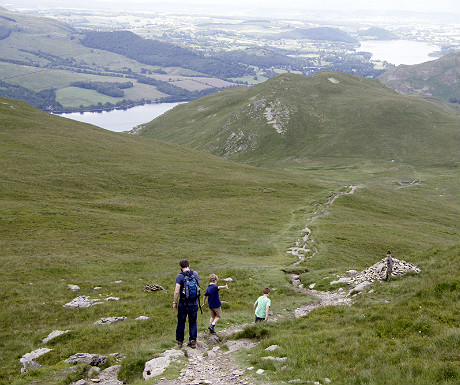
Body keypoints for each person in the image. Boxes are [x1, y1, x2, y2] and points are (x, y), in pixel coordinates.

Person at [173, 259, 200, 348]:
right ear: (189, 265)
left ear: (180, 267)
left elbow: (177, 291)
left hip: (183, 304)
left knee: (181, 322)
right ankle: (193, 341)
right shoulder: (195, 274)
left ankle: (180, 342)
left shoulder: (180, 276)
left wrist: (175, 302)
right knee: (193, 322)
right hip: (194, 303)